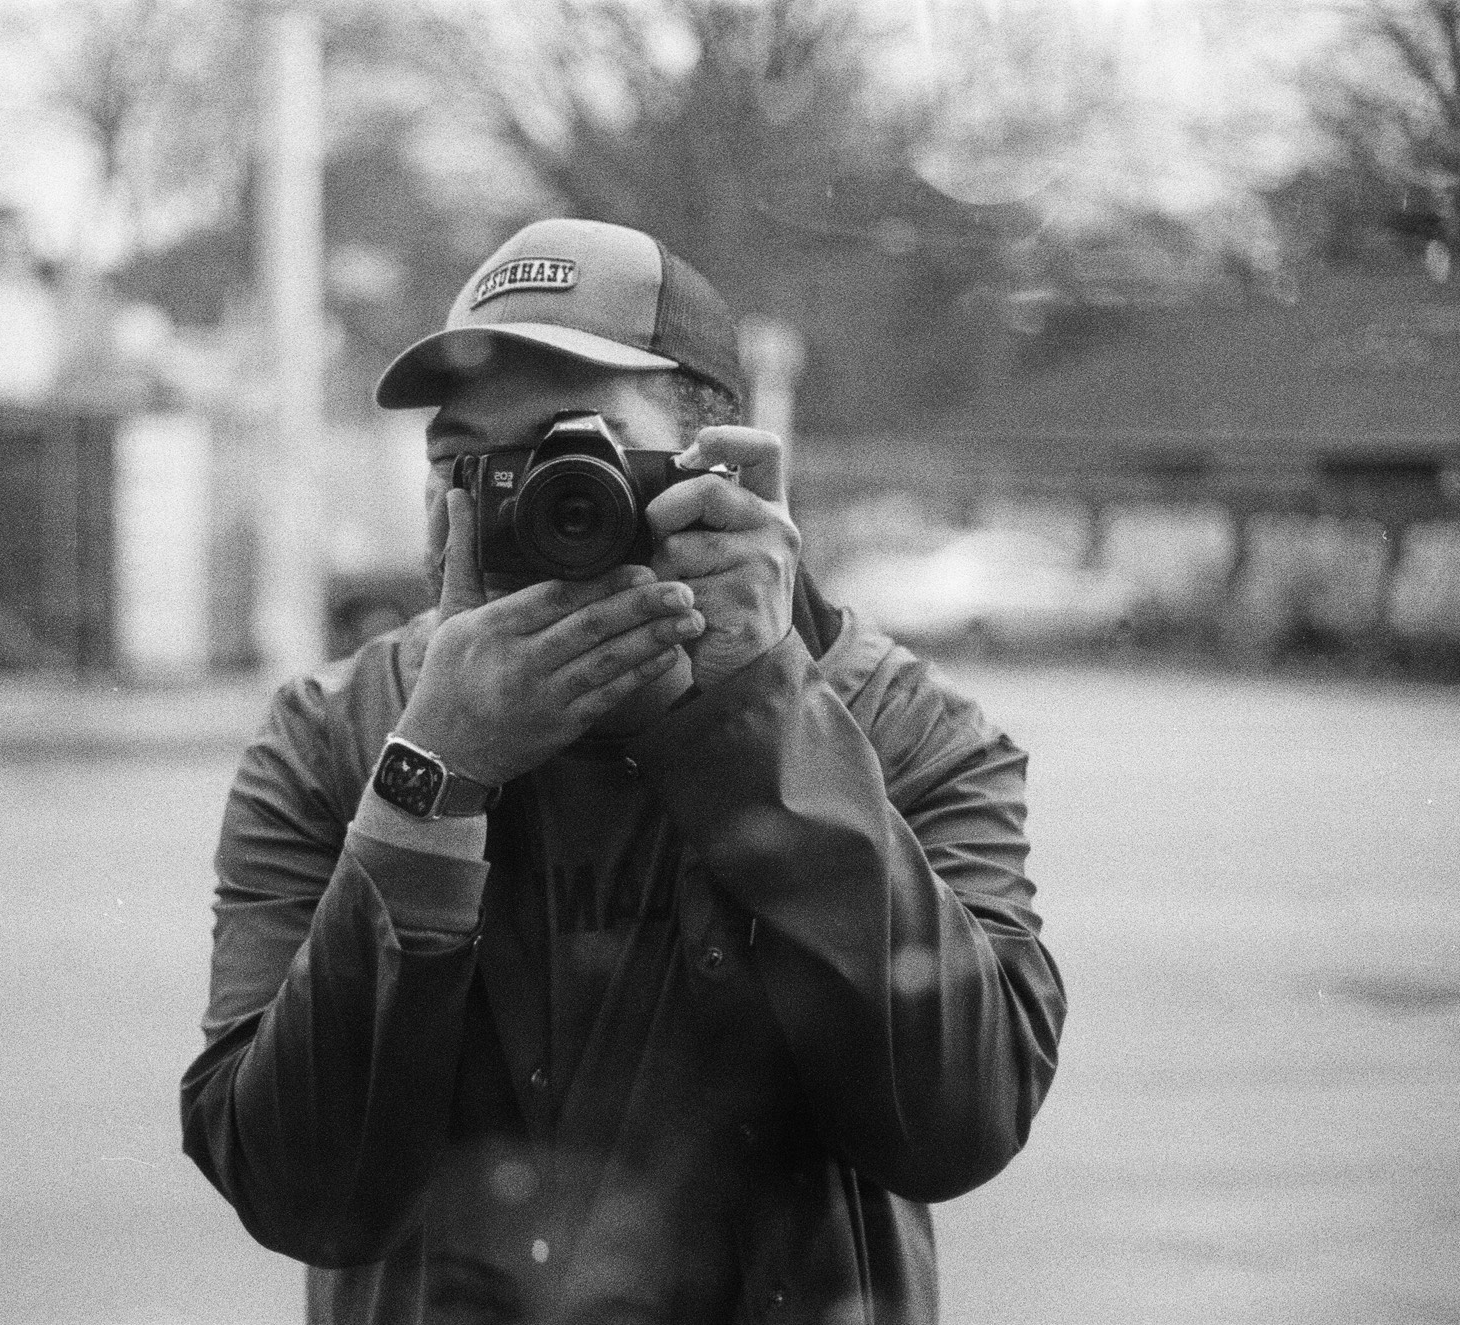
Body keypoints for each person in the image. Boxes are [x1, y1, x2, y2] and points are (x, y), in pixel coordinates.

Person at [181, 217, 1067, 1324]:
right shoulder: (334, 737)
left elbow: (959, 1121)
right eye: (461, 464)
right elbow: (294, 1190)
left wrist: (758, 716)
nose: (508, 502)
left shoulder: (898, 728)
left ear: (714, 472)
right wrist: (434, 777)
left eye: (576, 452)